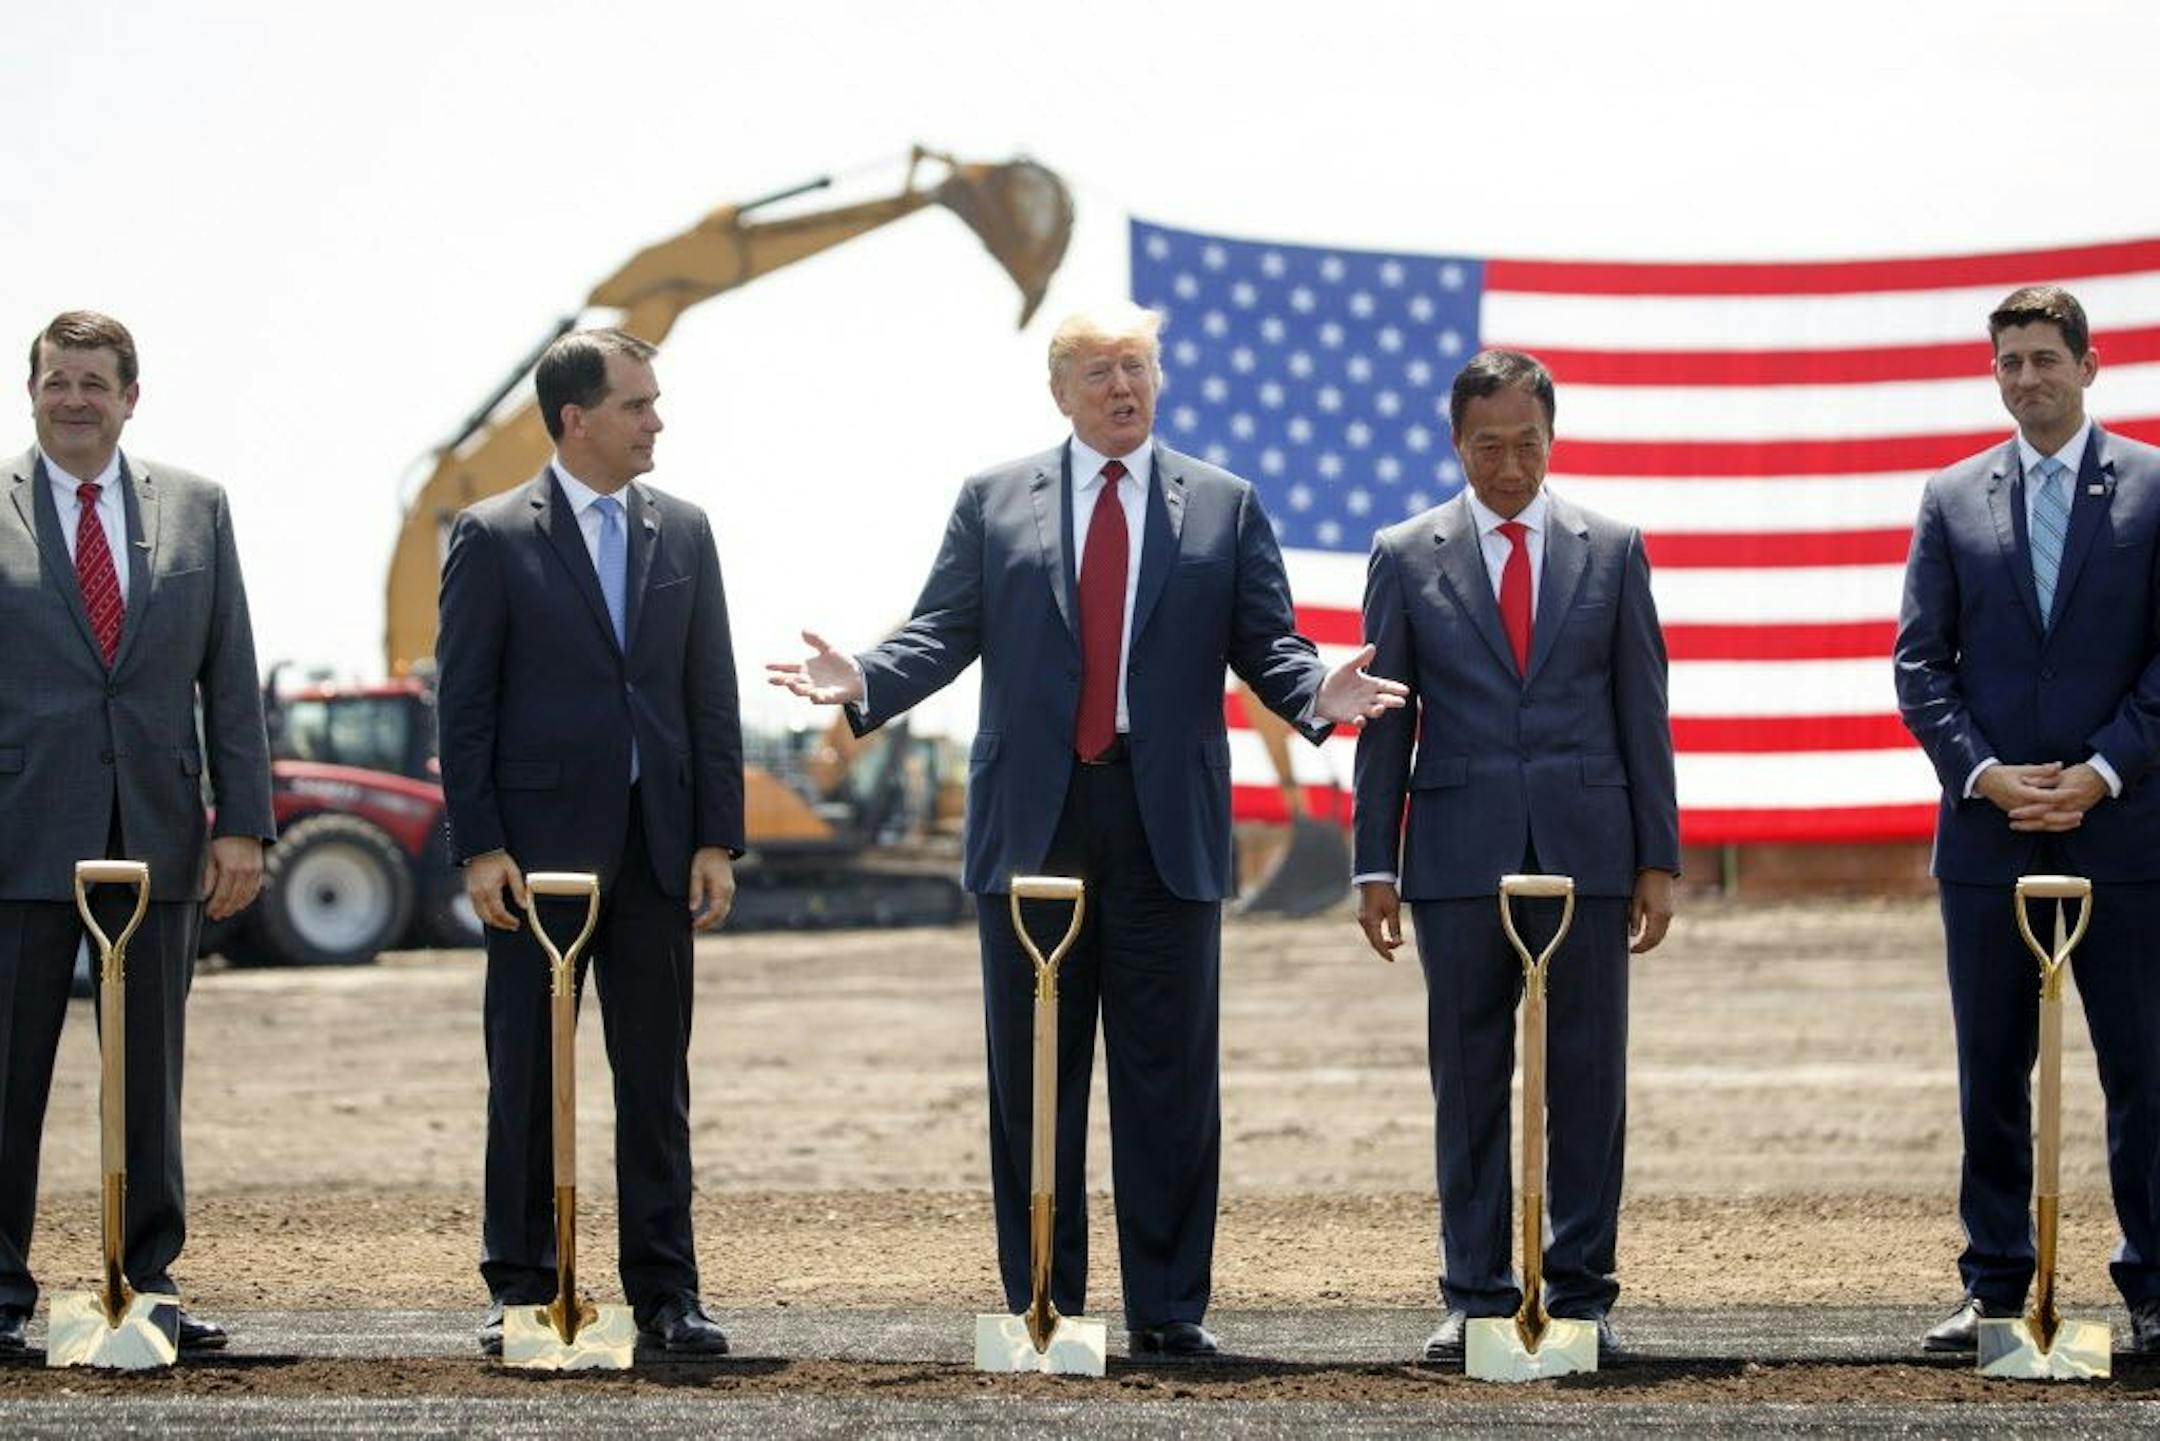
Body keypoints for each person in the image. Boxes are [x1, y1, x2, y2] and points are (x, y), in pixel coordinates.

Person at [767, 302, 1405, 1357]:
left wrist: (1317, 693)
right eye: (1103, 369)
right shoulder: (992, 499)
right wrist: (864, 679)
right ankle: (1043, 1306)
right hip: (1034, 820)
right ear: (1060, 391)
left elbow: (1270, 644)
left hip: (1166, 826)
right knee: (1033, 1073)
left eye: (1140, 367)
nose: (1125, 386)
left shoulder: (1224, 504)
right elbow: (942, 628)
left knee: (1168, 1078)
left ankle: (1166, 1311)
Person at [1351, 347, 1677, 1364]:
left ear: (1552, 437)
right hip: (1454, 856)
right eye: (1486, 445)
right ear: (1457, 443)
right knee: (1470, 1073)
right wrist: (1374, 863)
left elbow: (1643, 710)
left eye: (1525, 443)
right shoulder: (1406, 554)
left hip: (1591, 851)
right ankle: (1476, 1294)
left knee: (1587, 1078)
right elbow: (1384, 725)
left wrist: (1657, 858)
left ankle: (1582, 1295)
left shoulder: (1613, 549)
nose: (1507, 465)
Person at [436, 328, 744, 1358]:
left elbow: (710, 694)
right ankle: (523, 1288)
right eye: (638, 403)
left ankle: (669, 1293)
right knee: (525, 1075)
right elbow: (465, 705)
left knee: (655, 1082)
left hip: (659, 850)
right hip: (534, 862)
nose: (657, 419)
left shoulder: (687, 532)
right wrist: (479, 845)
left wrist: (717, 838)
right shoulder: (490, 535)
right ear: (577, 419)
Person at [0, 310, 273, 1354]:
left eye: (95, 382)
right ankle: (0, 1297)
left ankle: (141, 1284)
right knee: (6, 1073)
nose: (76, 397)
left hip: (159, 836)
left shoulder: (198, 508)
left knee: (147, 1074)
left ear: (130, 396)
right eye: (58, 379)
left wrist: (242, 823)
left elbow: (230, 672)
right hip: (18, 836)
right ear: (32, 391)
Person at [1894, 285, 2160, 1355]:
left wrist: (2104, 769)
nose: (2027, 379)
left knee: (2143, 1072)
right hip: (1989, 836)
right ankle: (1997, 1285)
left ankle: (2151, 1290)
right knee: (1992, 1069)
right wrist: (1986, 774)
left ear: (2088, 366)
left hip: (2128, 833)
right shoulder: (1955, 497)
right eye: (2009, 362)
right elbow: (1921, 663)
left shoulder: (2152, 488)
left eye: (2046, 359)